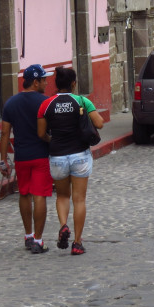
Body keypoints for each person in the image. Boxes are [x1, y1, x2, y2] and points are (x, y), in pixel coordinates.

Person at [37, 66, 104, 256]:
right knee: (79, 199)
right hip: (80, 155)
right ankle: (77, 242)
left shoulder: (46, 104)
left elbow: (41, 133)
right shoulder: (82, 101)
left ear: (56, 84)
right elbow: (99, 123)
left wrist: (54, 139)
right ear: (73, 83)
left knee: (62, 196)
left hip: (57, 155)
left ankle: (64, 225)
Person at [0, 64, 52, 254]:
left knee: (24, 194)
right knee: (39, 196)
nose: (46, 83)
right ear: (36, 82)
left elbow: (5, 133)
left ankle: (28, 235)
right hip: (40, 156)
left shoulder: (11, 103)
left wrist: (4, 160)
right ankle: (38, 240)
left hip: (21, 157)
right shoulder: (45, 102)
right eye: (44, 80)